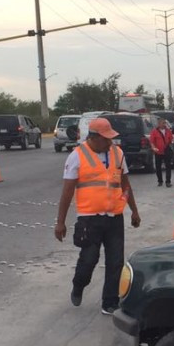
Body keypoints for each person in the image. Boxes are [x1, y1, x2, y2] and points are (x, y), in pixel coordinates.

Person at [55, 118, 141, 315]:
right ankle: (79, 284)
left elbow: (125, 185)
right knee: (88, 259)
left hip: (114, 218)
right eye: (106, 138)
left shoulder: (118, 154)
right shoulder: (77, 156)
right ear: (94, 138)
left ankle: (109, 302)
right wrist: (60, 222)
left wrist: (134, 211)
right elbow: (67, 192)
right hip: (89, 219)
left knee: (116, 261)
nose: (110, 142)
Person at [149, 117, 174, 187]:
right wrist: (153, 148)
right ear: (159, 124)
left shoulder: (168, 131)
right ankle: (160, 181)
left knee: (168, 166)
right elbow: (152, 141)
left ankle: (168, 182)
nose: (164, 124)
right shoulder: (154, 131)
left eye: (165, 123)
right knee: (158, 167)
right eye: (163, 123)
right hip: (158, 152)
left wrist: (171, 144)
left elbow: (171, 140)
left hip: (166, 151)